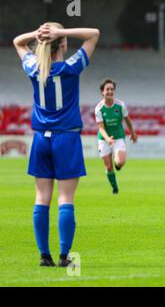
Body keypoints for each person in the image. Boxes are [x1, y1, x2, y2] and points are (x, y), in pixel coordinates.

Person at [13, 22, 100, 267]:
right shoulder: (70, 68)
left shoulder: (33, 68)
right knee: (66, 198)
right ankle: (64, 256)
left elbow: (18, 42)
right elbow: (94, 34)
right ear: (62, 43)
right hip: (67, 138)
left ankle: (43, 256)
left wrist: (37, 35)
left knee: (41, 197)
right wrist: (61, 32)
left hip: (41, 138)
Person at [95, 79, 137, 194]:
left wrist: (133, 132)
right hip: (104, 139)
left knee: (120, 162)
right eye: (107, 89)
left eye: (112, 89)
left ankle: (117, 163)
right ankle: (115, 188)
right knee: (108, 167)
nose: (110, 91)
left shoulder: (120, 105)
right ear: (102, 92)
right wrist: (108, 139)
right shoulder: (99, 108)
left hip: (118, 137)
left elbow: (127, 119)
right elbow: (101, 128)